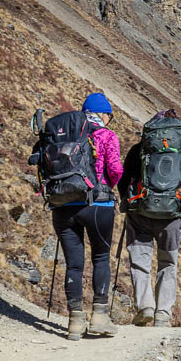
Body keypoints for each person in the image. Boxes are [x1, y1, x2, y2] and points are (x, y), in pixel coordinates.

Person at [47, 93, 122, 340]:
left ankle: (75, 321)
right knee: (100, 257)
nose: (109, 120)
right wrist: (105, 185)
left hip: (63, 204)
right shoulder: (106, 135)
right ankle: (100, 316)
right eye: (109, 115)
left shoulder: (65, 133)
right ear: (102, 114)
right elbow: (115, 170)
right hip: (98, 205)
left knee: (74, 264)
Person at [117, 109, 181, 327]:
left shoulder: (139, 149)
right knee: (168, 263)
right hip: (170, 217)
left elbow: (123, 181)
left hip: (139, 213)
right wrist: (178, 204)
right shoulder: (180, 151)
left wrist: (128, 201)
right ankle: (163, 314)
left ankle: (145, 307)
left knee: (140, 262)